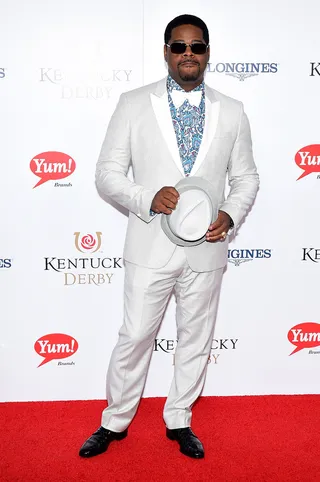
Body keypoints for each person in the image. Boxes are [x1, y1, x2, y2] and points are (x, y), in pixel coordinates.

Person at [79, 14, 259, 459]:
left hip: (207, 251)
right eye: (179, 47)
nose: (188, 55)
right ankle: (115, 420)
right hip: (149, 248)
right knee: (136, 334)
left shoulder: (232, 111)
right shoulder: (133, 103)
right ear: (165, 52)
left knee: (196, 338)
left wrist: (230, 215)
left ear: (208, 52)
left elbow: (248, 177)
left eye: (197, 47)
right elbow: (106, 174)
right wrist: (145, 197)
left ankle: (179, 418)